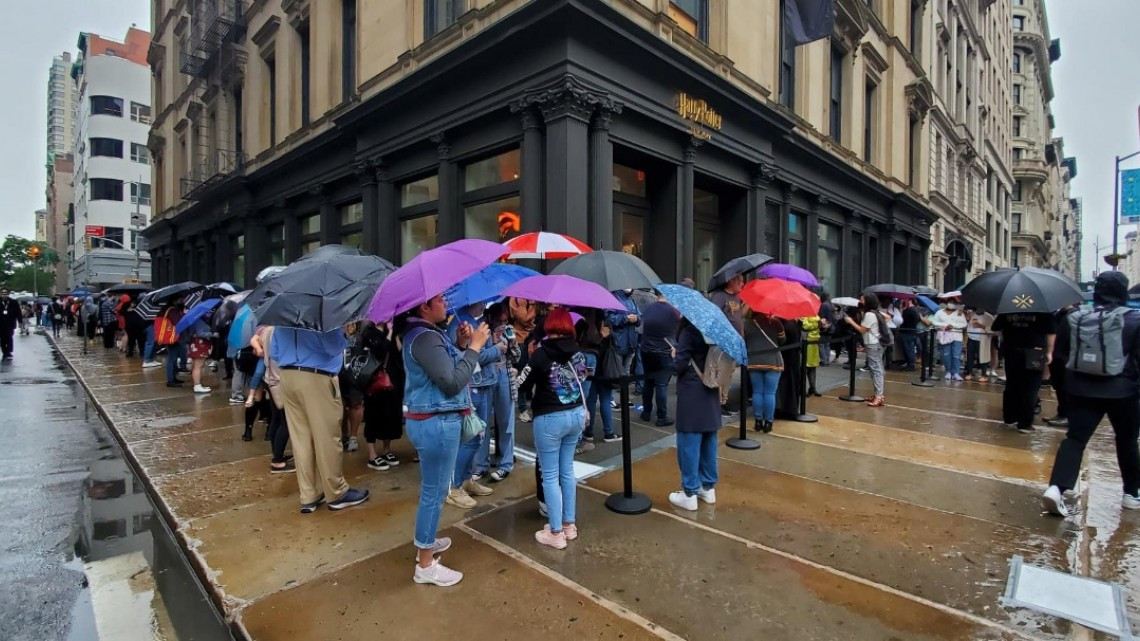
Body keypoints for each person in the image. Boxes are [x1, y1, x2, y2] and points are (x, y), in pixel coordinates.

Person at [399, 293, 489, 587]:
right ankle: (425, 565)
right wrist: (475, 347)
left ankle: (427, 541)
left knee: (433, 491)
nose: (446, 304)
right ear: (424, 306)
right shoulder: (424, 337)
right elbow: (451, 383)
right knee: (435, 493)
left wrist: (462, 344)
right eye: (439, 299)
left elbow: (445, 369)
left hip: (433, 421)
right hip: (436, 423)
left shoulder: (426, 334)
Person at [1043, 271, 1140, 516]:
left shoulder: (1074, 317)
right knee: (1127, 440)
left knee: (1075, 440)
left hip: (1081, 389)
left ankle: (1056, 487)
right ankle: (1131, 493)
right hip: (1123, 391)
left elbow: (1062, 355)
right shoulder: (1135, 319)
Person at [274, 324, 371, 513]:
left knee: (301, 439)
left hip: (287, 375)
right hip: (316, 376)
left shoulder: (282, 318)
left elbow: (275, 352)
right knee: (327, 436)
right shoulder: (322, 316)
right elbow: (333, 347)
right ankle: (336, 492)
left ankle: (309, 495)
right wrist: (343, 332)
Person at [517, 309, 588, 549]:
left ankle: (555, 532)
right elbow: (583, 377)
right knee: (567, 470)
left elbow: (522, 385)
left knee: (550, 475)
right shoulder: (579, 352)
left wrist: (528, 360)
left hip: (549, 417)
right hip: (576, 414)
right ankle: (569, 525)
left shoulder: (540, 353)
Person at [442, 303, 500, 506]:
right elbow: (467, 358)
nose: (484, 304)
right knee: (470, 437)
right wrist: (496, 350)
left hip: (482, 383)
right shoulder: (460, 323)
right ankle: (455, 485)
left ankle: (465, 480)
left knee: (477, 434)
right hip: (471, 386)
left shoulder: (473, 322)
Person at [668, 318, 721, 511]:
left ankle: (689, 492)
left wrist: (675, 355)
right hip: (711, 386)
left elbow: (679, 365)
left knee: (688, 441)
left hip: (692, 390)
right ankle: (707, 487)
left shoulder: (690, 331)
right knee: (709, 438)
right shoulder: (714, 329)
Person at [992, 310, 1055, 434]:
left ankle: (1010, 417)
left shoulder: (1009, 308)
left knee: (1012, 384)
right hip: (1035, 351)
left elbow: (996, 328)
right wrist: (1049, 352)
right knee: (1031, 387)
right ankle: (1025, 424)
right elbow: (1051, 332)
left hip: (1012, 350)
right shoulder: (1044, 311)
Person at [360, 322, 405, 470]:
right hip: (375, 381)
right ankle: (372, 455)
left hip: (393, 380)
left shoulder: (394, 331)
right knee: (373, 416)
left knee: (391, 415)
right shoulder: (369, 333)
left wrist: (395, 334)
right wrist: (388, 333)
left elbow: (400, 353)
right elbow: (380, 350)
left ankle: (387, 449)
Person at [250, 326, 292, 474]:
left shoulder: (267, 330)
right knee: (286, 422)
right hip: (280, 379)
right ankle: (278, 461)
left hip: (270, 378)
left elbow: (257, 349)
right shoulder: (281, 331)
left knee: (276, 419)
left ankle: (277, 454)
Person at [639, 292, 680, 426]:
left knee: (648, 382)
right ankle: (661, 417)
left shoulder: (649, 308)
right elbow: (678, 329)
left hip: (646, 350)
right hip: (664, 351)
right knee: (661, 385)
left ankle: (646, 412)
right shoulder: (673, 311)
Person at [708, 274, 746, 416]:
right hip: (723, 343)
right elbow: (713, 317)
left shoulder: (736, 297)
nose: (742, 284)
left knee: (729, 373)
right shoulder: (719, 297)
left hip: (734, 343)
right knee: (721, 373)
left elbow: (738, 317)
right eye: (740, 281)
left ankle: (724, 400)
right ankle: (717, 404)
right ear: (731, 281)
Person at [745, 310, 786, 433]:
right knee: (770, 393)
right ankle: (768, 423)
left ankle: (758, 421)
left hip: (754, 361)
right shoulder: (775, 322)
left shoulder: (747, 324)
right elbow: (782, 341)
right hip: (773, 362)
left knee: (757, 392)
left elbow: (744, 341)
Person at [845, 294, 887, 407]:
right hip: (876, 344)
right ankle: (878, 394)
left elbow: (862, 330)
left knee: (876, 370)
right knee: (876, 369)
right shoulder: (875, 312)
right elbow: (888, 317)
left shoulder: (869, 314)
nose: (860, 301)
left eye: (862, 299)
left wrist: (850, 321)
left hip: (873, 344)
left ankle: (879, 396)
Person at [1043, 304, 1076, 427]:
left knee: (1065, 388)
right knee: (1058, 387)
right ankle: (1061, 413)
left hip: (1066, 357)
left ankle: (1067, 415)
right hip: (1056, 356)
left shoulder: (1074, 315)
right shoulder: (1057, 315)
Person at [605, 289, 641, 384]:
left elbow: (640, 316)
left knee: (626, 371)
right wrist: (625, 319)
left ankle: (625, 395)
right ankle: (614, 396)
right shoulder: (613, 298)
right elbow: (608, 318)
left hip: (631, 341)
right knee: (616, 372)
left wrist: (637, 319)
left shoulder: (631, 299)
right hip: (618, 341)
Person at [932, 301, 967, 381]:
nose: (951, 304)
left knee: (956, 355)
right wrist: (944, 326)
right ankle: (949, 371)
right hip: (944, 337)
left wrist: (953, 326)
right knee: (946, 355)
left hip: (957, 337)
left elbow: (964, 324)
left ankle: (956, 373)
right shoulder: (939, 312)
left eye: (953, 303)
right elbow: (934, 322)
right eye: (950, 302)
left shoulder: (959, 313)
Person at [156, 301, 186, 387]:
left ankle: (173, 378)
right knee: (172, 358)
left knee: (173, 357)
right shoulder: (171, 310)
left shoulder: (165, 309)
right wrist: (183, 314)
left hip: (170, 336)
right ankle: (171, 380)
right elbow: (178, 322)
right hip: (172, 336)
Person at [898, 300, 930, 371]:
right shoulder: (916, 311)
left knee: (909, 349)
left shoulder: (908, 311)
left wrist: (902, 310)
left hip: (906, 332)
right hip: (912, 332)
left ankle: (911, 365)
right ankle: (911, 364)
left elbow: (902, 320)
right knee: (911, 349)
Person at [963, 309, 994, 381]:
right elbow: (969, 326)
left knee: (982, 357)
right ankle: (969, 373)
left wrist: (982, 326)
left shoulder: (989, 317)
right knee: (969, 357)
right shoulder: (973, 314)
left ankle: (984, 375)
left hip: (982, 340)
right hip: (971, 338)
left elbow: (993, 329)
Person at [186, 315, 215, 394]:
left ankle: (197, 384)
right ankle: (197, 385)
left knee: (196, 365)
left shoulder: (194, 320)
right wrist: (212, 334)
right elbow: (200, 333)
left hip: (196, 345)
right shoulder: (198, 321)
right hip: (199, 346)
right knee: (198, 366)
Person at [0, 289, 21, 360]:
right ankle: (4, 352)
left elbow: (18, 312)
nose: (4, 294)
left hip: (10, 324)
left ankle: (9, 351)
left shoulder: (13, 302)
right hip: (1, 324)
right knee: (2, 338)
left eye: (5, 293)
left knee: (9, 337)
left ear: (8, 294)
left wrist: (20, 322)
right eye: (3, 293)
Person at [817, 293, 835, 365]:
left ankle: (823, 360)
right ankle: (827, 359)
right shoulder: (831, 305)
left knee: (821, 344)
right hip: (831, 327)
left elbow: (822, 317)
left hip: (825, 327)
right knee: (827, 345)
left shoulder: (824, 305)